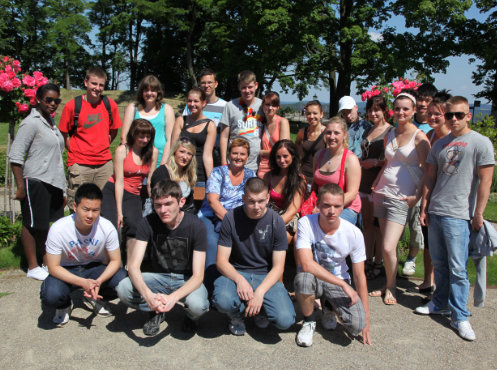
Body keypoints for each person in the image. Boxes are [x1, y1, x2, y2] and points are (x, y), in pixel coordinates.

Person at [415, 96, 494, 341]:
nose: (453, 119)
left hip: (459, 214)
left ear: (468, 115)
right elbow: (430, 176)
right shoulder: (440, 144)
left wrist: (478, 213)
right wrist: (425, 205)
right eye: (450, 115)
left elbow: (485, 181)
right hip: (437, 209)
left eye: (459, 115)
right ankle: (440, 303)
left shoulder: (479, 142)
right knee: (439, 264)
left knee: (458, 268)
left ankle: (460, 316)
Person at [117, 180, 209, 336]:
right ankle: (156, 310)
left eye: (168, 204)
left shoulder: (196, 226)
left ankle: (190, 317)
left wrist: (173, 298)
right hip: (158, 277)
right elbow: (133, 266)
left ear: (181, 202)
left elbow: (198, 276)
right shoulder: (148, 223)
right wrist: (149, 296)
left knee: (197, 305)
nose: (163, 210)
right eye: (158, 205)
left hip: (185, 279)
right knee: (123, 288)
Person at [212, 177, 296, 335]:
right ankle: (237, 314)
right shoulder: (231, 218)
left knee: (285, 320)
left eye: (261, 201)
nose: (256, 207)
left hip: (264, 274)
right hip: (237, 271)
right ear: (243, 198)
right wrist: (239, 280)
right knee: (222, 300)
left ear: (268, 198)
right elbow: (221, 261)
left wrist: (260, 292)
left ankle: (261, 309)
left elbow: (279, 267)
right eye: (251, 201)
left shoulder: (276, 221)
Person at [370, 92, 430, 305]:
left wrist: (418, 196)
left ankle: (392, 287)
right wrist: (376, 183)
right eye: (397, 109)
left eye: (406, 109)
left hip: (401, 198)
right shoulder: (391, 133)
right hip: (382, 193)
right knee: (390, 246)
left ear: (414, 110)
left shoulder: (420, 138)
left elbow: (427, 171)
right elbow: (388, 163)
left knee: (387, 246)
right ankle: (388, 282)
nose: (401, 112)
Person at [294, 183, 371, 346]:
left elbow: (359, 275)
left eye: (337, 206)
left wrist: (367, 318)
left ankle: (328, 307)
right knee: (303, 278)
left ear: (343, 206)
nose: (332, 211)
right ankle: (309, 322)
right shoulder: (306, 223)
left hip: (337, 280)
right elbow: (307, 264)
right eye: (327, 205)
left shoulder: (354, 233)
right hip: (315, 278)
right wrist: (342, 284)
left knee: (357, 324)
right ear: (318, 205)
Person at [40, 183, 127, 326]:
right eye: (85, 209)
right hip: (66, 269)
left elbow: (116, 261)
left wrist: (98, 281)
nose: (90, 215)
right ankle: (64, 305)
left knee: (123, 280)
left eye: (95, 210)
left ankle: (95, 297)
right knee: (51, 295)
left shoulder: (106, 227)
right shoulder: (58, 229)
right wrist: (82, 282)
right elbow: (53, 267)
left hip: (94, 268)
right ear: (75, 207)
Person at [9, 83, 65, 281]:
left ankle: (45, 262)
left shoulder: (50, 122)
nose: (52, 104)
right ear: (38, 100)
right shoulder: (31, 122)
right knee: (32, 224)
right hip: (36, 180)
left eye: (56, 101)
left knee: (46, 225)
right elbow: (15, 156)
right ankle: (32, 266)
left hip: (53, 182)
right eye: (48, 100)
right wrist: (21, 186)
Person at [197, 138, 256, 292]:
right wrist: (232, 222)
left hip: (239, 219)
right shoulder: (218, 172)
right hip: (211, 217)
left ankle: (242, 283)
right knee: (211, 241)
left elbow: (253, 199)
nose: (238, 157)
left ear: (247, 157)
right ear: (229, 154)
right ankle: (209, 287)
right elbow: (212, 201)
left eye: (242, 154)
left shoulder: (251, 175)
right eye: (235, 153)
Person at [408, 91, 451, 295]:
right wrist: (423, 201)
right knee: (429, 241)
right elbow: (427, 171)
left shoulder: (453, 136)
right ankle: (428, 280)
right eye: (431, 113)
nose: (432, 117)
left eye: (438, 114)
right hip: (432, 195)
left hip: (449, 199)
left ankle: (444, 289)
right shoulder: (430, 135)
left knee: (447, 247)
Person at [58, 67, 122, 206]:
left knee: (105, 205)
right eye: (94, 83)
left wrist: (104, 143)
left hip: (104, 164)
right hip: (79, 165)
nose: (97, 88)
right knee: (79, 205)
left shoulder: (109, 105)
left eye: (101, 85)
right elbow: (63, 133)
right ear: (86, 82)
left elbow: (114, 130)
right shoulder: (73, 106)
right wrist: (73, 149)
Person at [101, 119, 158, 251]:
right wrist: (120, 212)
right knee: (112, 224)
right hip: (114, 190)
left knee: (135, 225)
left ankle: (130, 261)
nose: (144, 140)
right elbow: (119, 181)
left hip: (134, 193)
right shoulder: (123, 150)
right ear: (133, 134)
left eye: (148, 136)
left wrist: (153, 202)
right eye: (141, 136)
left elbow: (150, 180)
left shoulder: (152, 152)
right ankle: (112, 260)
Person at [401, 83, 439, 276]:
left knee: (417, 226)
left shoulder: (432, 128)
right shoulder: (406, 122)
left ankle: (412, 259)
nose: (424, 104)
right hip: (402, 182)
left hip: (423, 183)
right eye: (421, 100)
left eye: (428, 100)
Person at [359, 96, 393, 280]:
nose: (373, 113)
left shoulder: (390, 131)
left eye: (377, 110)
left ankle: (379, 262)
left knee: (378, 225)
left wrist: (375, 162)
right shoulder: (369, 129)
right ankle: (367, 259)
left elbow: (392, 160)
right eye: (370, 110)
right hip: (364, 181)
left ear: (384, 110)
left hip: (379, 182)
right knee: (367, 223)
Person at [171, 88, 216, 209]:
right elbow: (173, 149)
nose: (192, 104)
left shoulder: (210, 125)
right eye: (189, 101)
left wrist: (212, 180)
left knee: (197, 208)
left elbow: (207, 155)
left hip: (199, 175)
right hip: (181, 173)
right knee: (178, 205)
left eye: (196, 101)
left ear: (203, 103)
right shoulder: (181, 120)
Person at [312, 116, 362, 225]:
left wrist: (327, 208)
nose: (331, 137)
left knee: (327, 228)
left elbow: (352, 193)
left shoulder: (351, 159)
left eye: (336, 133)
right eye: (328, 133)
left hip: (346, 207)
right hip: (321, 205)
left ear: (345, 135)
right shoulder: (318, 155)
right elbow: (314, 185)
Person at [121, 75, 175, 166]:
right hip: (136, 161)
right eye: (146, 90)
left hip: (160, 161)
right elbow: (124, 137)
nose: (149, 93)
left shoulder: (167, 109)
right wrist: (131, 160)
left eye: (153, 90)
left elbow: (170, 139)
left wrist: (164, 164)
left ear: (158, 92)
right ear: (141, 92)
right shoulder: (133, 108)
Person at [219, 70, 264, 172]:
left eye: (250, 87)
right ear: (239, 87)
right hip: (234, 164)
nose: (247, 91)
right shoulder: (230, 106)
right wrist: (223, 162)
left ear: (256, 85)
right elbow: (224, 136)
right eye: (244, 87)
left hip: (256, 165)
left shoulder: (263, 106)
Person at [263, 140, 306, 244]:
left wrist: (271, 226)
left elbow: (292, 211)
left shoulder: (300, 180)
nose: (282, 160)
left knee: (280, 237)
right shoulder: (268, 176)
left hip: (289, 218)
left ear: (293, 156)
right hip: (271, 212)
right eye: (278, 157)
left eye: (285, 156)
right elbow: (261, 200)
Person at [182, 69, 227, 167]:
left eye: (210, 82)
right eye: (203, 83)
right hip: (192, 155)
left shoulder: (225, 106)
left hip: (216, 156)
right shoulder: (191, 106)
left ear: (216, 84)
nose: (206, 86)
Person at [150, 137, 197, 213]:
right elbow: (160, 201)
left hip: (184, 215)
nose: (185, 157)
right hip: (163, 215)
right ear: (174, 152)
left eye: (189, 153)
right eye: (182, 152)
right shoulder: (161, 172)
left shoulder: (188, 174)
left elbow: (190, 203)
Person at [257, 92, 290, 178]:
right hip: (262, 167)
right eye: (267, 104)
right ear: (263, 106)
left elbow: (284, 149)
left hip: (278, 166)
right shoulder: (262, 124)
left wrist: (261, 152)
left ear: (278, 107)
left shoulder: (282, 122)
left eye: (274, 105)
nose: (270, 108)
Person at [295, 100, 326, 191]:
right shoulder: (302, 132)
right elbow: (297, 143)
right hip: (303, 177)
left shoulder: (327, 134)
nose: (311, 116)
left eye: (315, 113)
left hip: (319, 180)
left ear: (321, 114)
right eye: (308, 113)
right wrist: (300, 157)